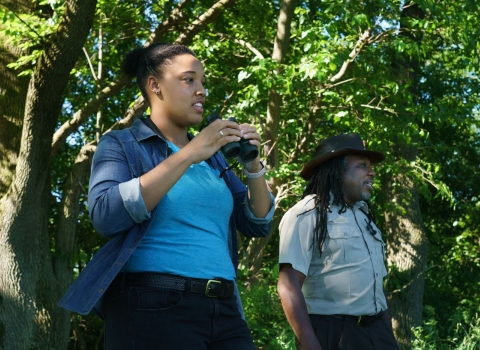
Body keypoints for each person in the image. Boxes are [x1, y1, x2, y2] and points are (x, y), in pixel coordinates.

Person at [58, 43, 275, 350]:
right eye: (189, 79)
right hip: (153, 307)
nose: (201, 90)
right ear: (154, 85)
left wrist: (254, 167)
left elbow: (257, 223)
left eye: (202, 82)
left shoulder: (215, 158)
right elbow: (106, 215)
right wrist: (188, 154)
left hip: (224, 310)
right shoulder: (122, 144)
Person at [277, 133, 400, 350]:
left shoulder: (364, 217)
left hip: (375, 334)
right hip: (334, 334)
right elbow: (288, 286)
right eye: (362, 165)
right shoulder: (307, 214)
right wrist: (310, 346)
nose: (372, 172)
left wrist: (386, 335)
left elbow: (376, 287)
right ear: (336, 170)